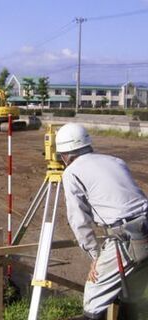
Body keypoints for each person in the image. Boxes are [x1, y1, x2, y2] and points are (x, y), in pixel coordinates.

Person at [55, 123, 148, 320]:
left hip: (126, 236)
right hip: (143, 227)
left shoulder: (71, 173)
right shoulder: (115, 160)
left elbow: (79, 220)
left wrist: (95, 256)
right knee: (133, 291)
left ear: (64, 155)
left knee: (94, 295)